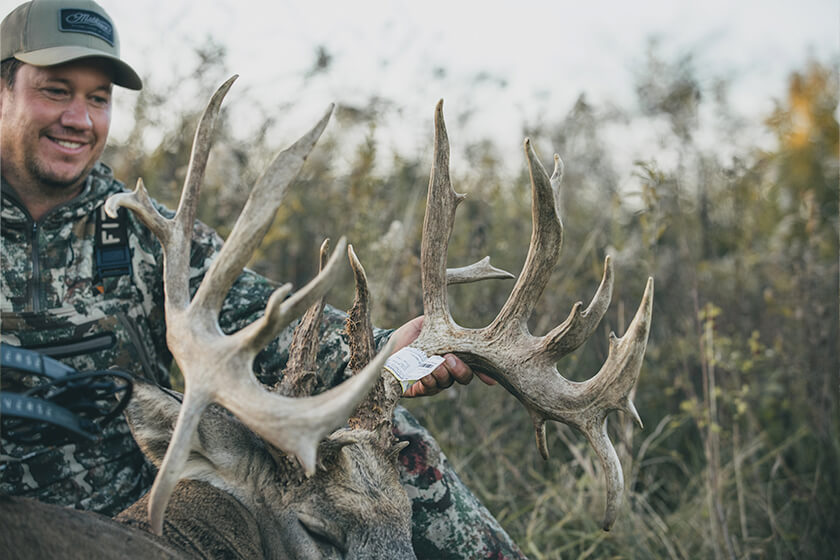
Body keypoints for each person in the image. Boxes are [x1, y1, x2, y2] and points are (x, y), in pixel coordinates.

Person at [0, 1, 525, 557]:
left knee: (380, 441)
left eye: (98, 98)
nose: (80, 119)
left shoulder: (136, 229)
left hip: (141, 517)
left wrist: (383, 350)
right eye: (56, 90)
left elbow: (261, 322)